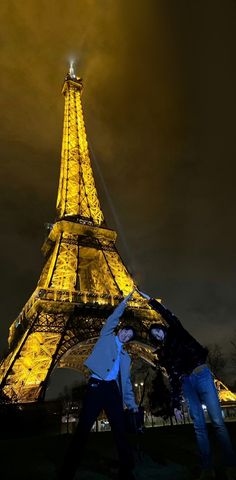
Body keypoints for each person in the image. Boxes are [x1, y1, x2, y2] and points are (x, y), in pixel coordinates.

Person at [138, 289, 236, 480]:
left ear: (163, 328)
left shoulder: (177, 332)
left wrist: (151, 302)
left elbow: (169, 316)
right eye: (154, 335)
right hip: (187, 382)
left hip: (201, 373)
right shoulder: (165, 354)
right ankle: (207, 467)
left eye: (157, 330)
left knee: (217, 422)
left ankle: (231, 464)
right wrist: (175, 404)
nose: (157, 334)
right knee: (198, 426)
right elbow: (174, 379)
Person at [57, 291, 138, 480]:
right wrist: (124, 303)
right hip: (96, 386)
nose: (127, 335)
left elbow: (125, 382)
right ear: (119, 330)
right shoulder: (107, 336)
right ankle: (68, 468)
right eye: (125, 331)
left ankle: (126, 470)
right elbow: (112, 319)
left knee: (120, 430)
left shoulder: (126, 358)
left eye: (130, 335)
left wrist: (132, 403)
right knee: (83, 428)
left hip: (112, 391)